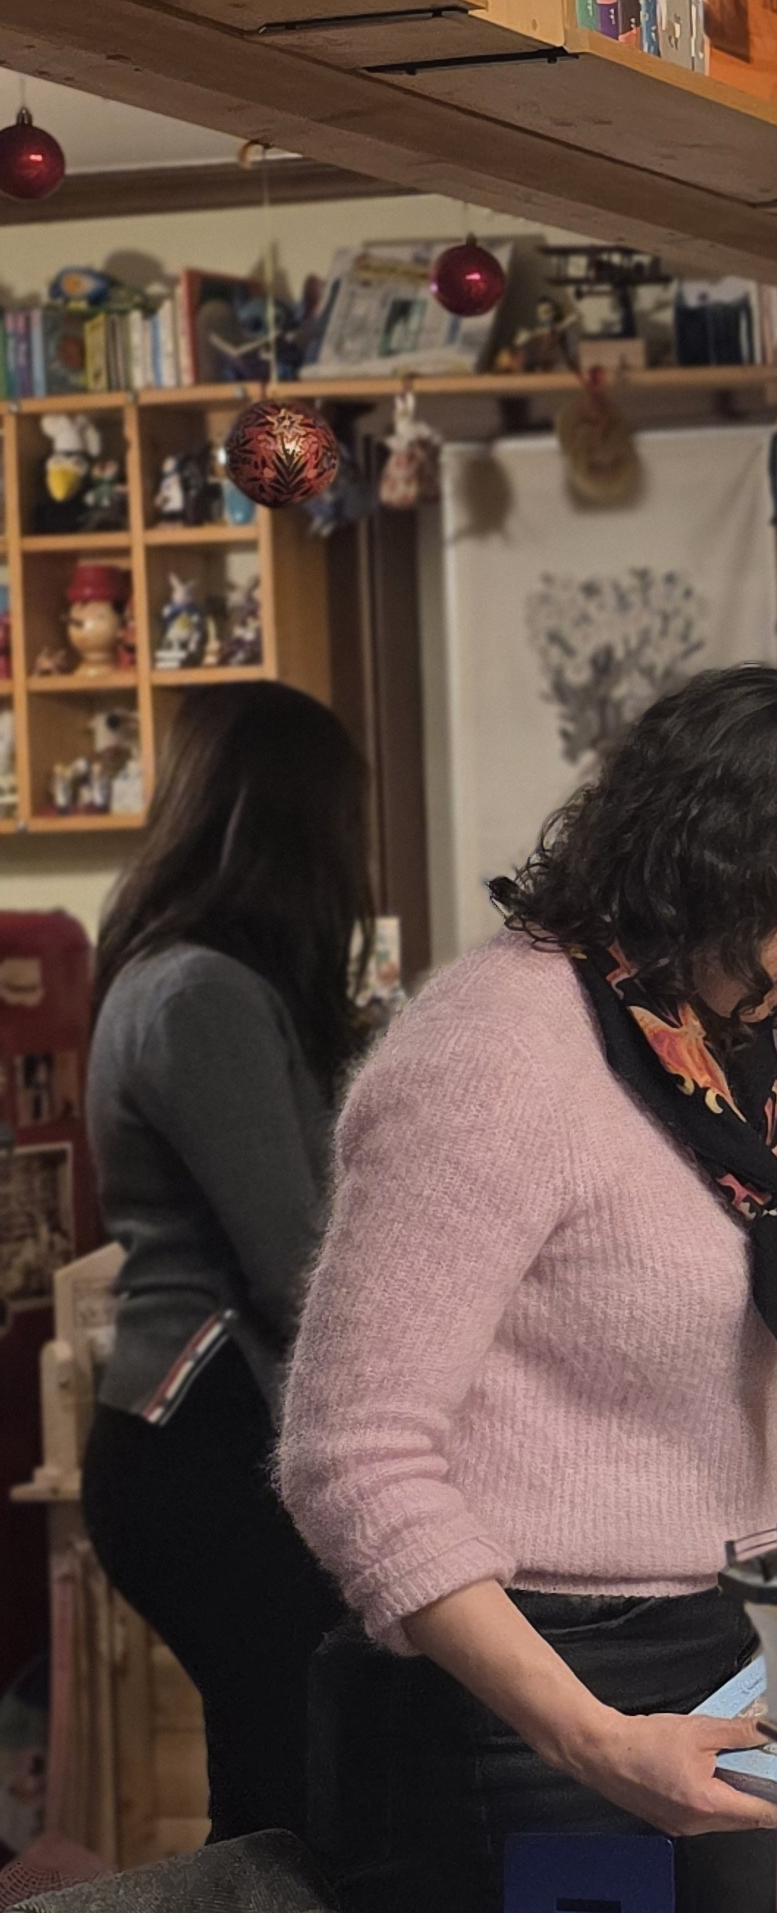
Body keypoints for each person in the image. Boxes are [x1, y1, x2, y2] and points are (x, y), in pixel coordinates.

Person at [282, 668, 777, 1913]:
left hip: (716, 1654)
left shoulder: (696, 1046)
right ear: (727, 869)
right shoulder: (494, 1054)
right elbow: (350, 1455)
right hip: (529, 1711)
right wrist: (587, 1736)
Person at [83, 683, 376, 1843]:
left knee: (274, 1784)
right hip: (200, 1435)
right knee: (284, 1800)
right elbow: (292, 1260)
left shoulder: (179, 977)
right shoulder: (202, 993)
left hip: (183, 1437)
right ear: (297, 828)